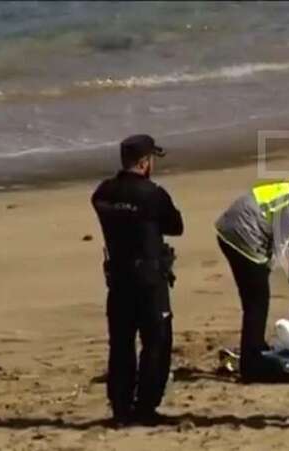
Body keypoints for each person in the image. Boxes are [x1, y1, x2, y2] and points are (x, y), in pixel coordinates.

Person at [91, 134, 184, 427]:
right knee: (156, 342)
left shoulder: (103, 193)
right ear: (144, 163)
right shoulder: (152, 194)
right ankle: (145, 407)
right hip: (148, 280)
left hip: (118, 279)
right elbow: (176, 226)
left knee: (121, 344)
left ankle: (121, 408)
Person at [214, 180, 289, 383]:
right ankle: (251, 365)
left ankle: (255, 346)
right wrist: (272, 271)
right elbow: (280, 246)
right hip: (242, 231)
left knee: (253, 299)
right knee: (257, 300)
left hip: (231, 227)